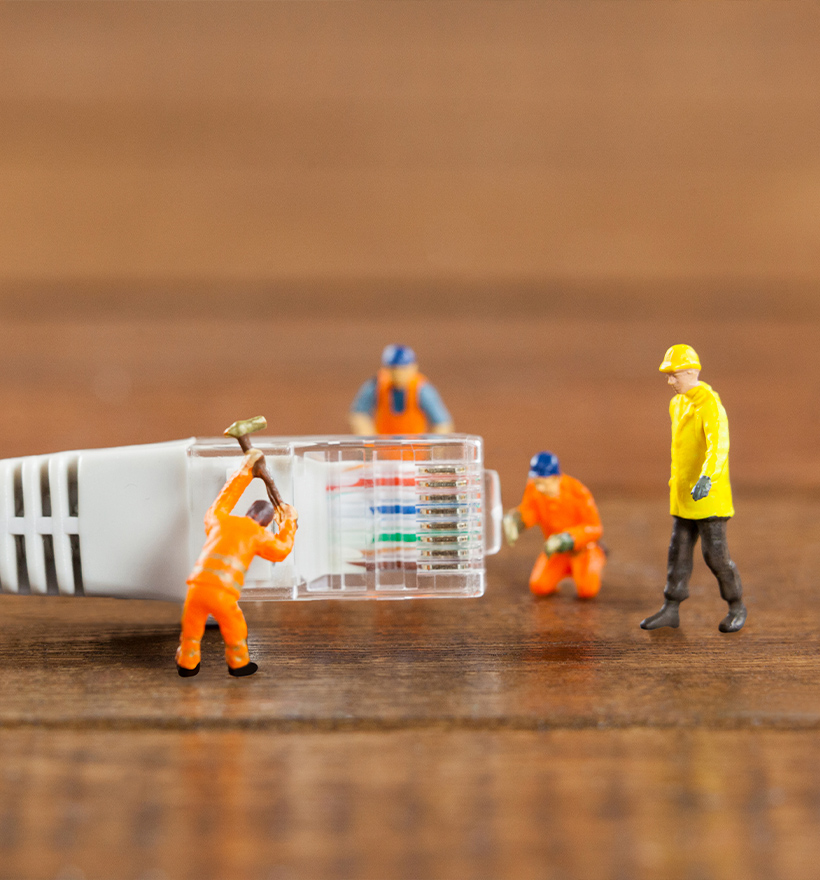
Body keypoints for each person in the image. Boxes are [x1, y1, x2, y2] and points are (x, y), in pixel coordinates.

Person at [640, 344, 746, 633]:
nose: (670, 381)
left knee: (716, 556)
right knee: (678, 552)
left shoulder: (710, 405)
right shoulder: (678, 404)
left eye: (674, 375)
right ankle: (671, 607)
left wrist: (707, 478)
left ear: (690, 373)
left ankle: (736, 604)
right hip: (684, 495)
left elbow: (719, 446)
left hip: (708, 498)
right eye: (668, 375)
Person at [176, 448, 298, 677]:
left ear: (250, 512)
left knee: (191, 628)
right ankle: (238, 664)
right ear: (265, 523)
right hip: (222, 592)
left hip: (196, 587)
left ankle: (187, 663)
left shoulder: (219, 521)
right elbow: (281, 551)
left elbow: (226, 497)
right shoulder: (258, 535)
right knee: (234, 627)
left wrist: (245, 470)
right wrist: (289, 523)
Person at [503, 451, 606, 598]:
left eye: (543, 483)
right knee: (539, 586)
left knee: (587, 591)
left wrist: (566, 539)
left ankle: (598, 556)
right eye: (537, 482)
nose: (539, 488)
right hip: (555, 551)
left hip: (581, 550)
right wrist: (516, 521)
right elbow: (530, 510)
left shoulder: (578, 492)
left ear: (555, 478)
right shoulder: (534, 488)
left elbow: (595, 528)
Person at [349, 345, 453, 434]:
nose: (398, 374)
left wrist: (434, 447)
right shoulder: (376, 386)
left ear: (413, 368)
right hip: (384, 447)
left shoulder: (422, 390)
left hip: (414, 448)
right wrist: (369, 441)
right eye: (393, 370)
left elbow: (442, 423)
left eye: (403, 369)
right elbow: (358, 414)